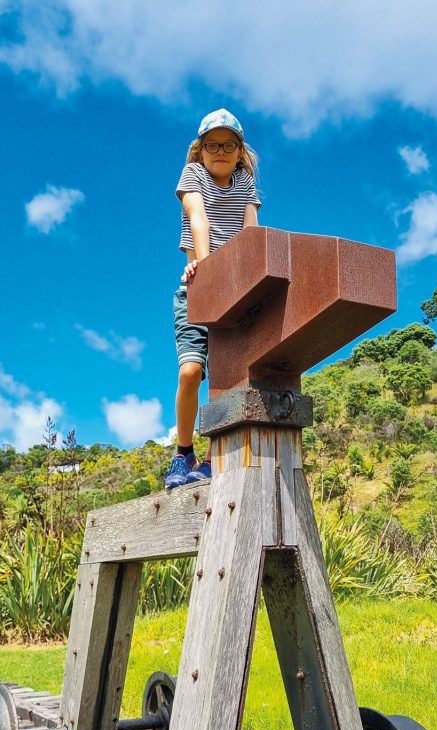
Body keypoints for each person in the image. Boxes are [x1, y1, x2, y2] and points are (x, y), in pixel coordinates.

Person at [165, 109, 261, 489]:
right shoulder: (194, 175)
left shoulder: (245, 183)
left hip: (234, 293)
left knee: (229, 377)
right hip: (197, 285)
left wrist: (252, 277)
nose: (219, 151)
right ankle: (182, 452)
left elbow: (251, 232)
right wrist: (206, 269)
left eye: (228, 145)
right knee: (191, 372)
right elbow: (198, 216)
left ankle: (211, 456)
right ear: (200, 151)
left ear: (240, 151)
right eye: (212, 145)